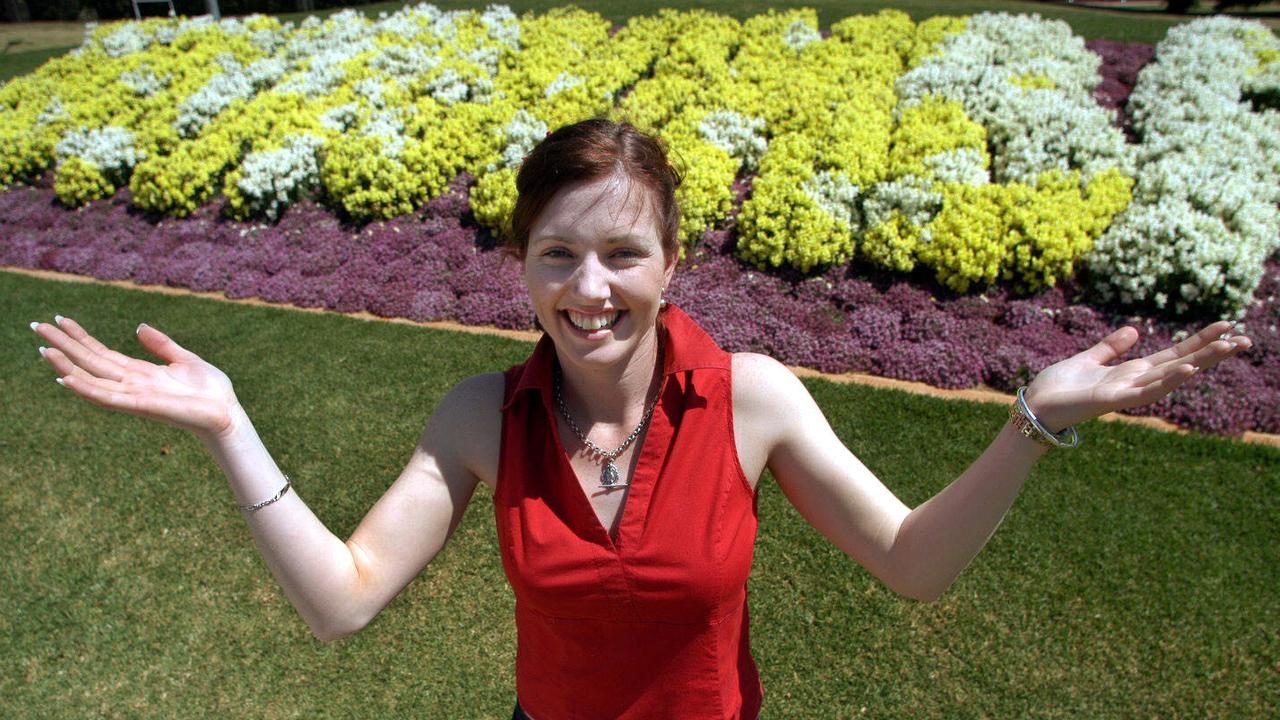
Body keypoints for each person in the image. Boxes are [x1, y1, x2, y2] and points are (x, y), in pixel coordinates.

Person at [30, 118, 1251, 720]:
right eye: (557, 255)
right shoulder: (478, 416)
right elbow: (341, 602)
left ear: (671, 260)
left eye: (622, 251)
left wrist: (1027, 422)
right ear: (520, 265)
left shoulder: (751, 400)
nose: (589, 288)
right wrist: (230, 426)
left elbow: (913, 565)